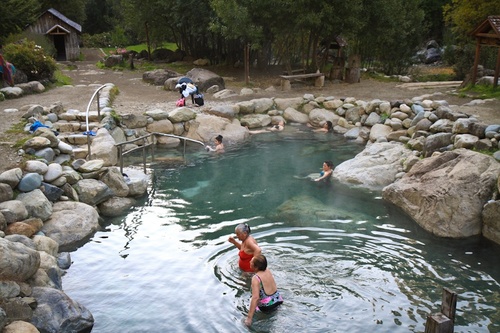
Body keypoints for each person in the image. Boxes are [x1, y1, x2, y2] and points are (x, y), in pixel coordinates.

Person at [245, 254, 283, 326]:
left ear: (256, 267)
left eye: (251, 261)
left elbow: (255, 298)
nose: (250, 261)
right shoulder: (267, 270)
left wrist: (249, 318)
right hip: (278, 299)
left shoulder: (256, 278)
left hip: (267, 306)